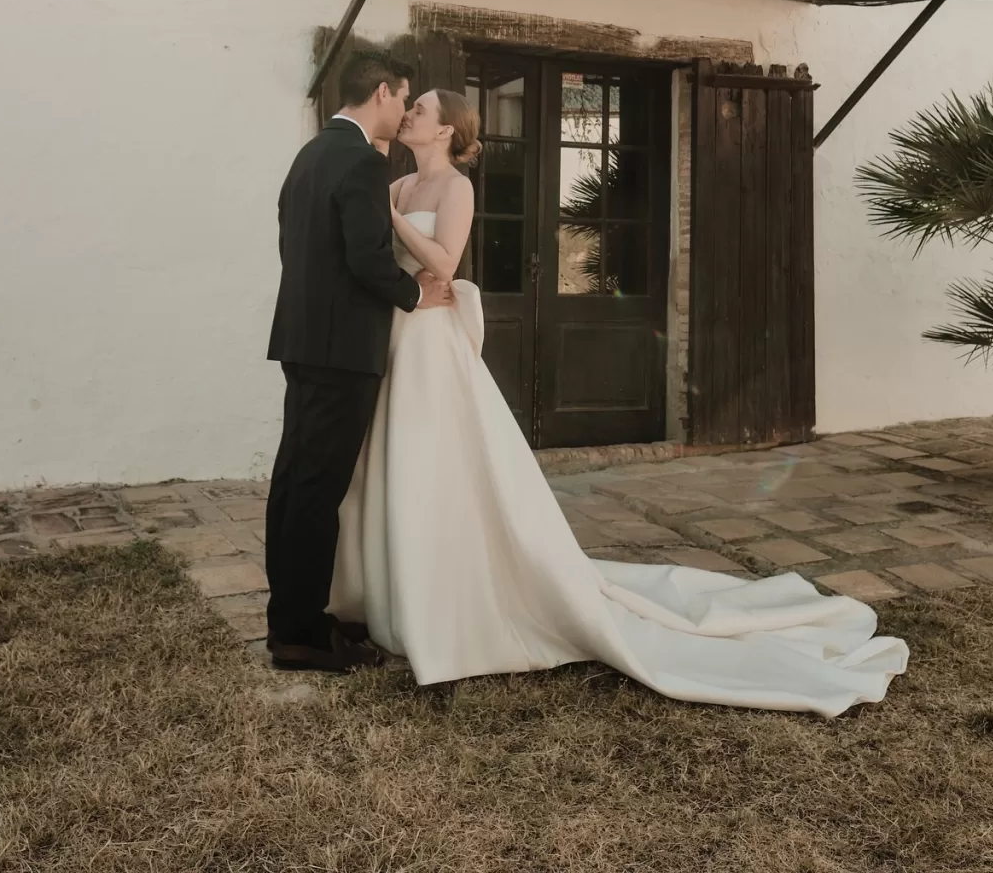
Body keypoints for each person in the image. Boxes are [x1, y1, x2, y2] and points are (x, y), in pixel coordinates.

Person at [327, 87, 910, 718]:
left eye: (421, 110)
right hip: (399, 332)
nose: (409, 114)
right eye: (410, 107)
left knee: (437, 455)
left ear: (445, 131)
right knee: (397, 460)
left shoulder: (453, 189)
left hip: (433, 341)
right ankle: (397, 590)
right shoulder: (398, 185)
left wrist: (392, 221)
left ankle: (452, 597)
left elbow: (446, 263)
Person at [264, 50, 454, 673]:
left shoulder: (310, 155)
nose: (403, 111)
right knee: (318, 492)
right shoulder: (363, 162)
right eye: (403, 97)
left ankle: (293, 617)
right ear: (381, 93)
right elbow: (368, 257)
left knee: (295, 482)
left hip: (301, 340)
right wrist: (414, 294)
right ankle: (301, 637)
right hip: (343, 350)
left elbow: (295, 241)